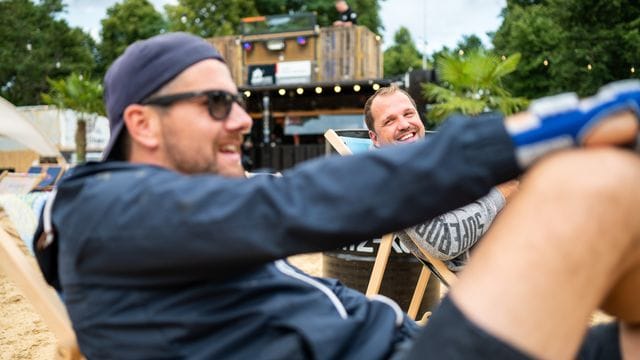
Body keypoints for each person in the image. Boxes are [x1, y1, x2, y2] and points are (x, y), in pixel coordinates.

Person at [33, 32, 640, 359]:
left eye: (239, 102)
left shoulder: (164, 219)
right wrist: (545, 132)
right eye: (216, 104)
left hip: (416, 340)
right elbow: (296, 202)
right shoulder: (104, 214)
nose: (242, 121)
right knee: (586, 187)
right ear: (141, 124)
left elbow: (278, 197)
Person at [364, 84, 518, 272]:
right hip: (499, 267)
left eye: (409, 114)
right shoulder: (393, 177)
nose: (404, 124)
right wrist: (502, 193)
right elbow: (445, 240)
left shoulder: (430, 157)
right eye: (389, 121)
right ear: (374, 138)